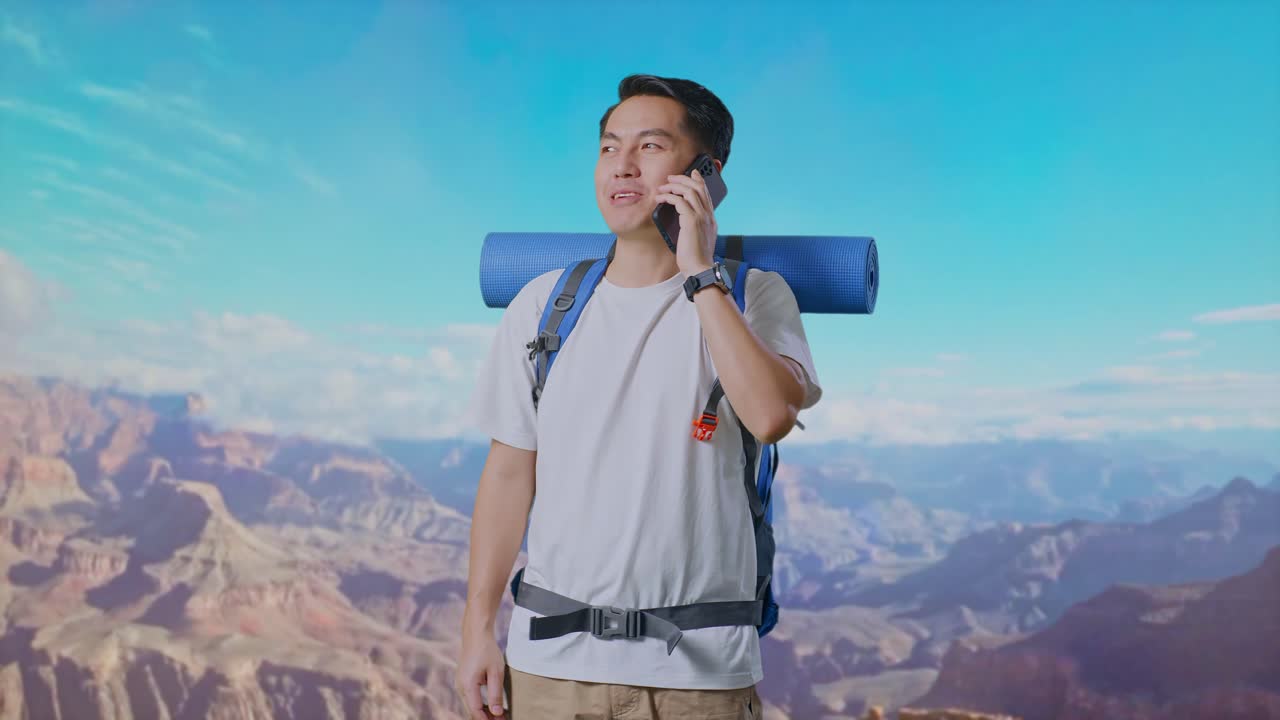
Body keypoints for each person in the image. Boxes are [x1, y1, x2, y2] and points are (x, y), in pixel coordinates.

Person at [457, 74, 823, 719]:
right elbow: (510, 476)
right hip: (548, 666)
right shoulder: (543, 306)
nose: (621, 166)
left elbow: (770, 416)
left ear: (705, 172)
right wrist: (476, 629)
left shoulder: (754, 297)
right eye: (607, 147)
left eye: (650, 146)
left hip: (699, 681)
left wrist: (701, 272)